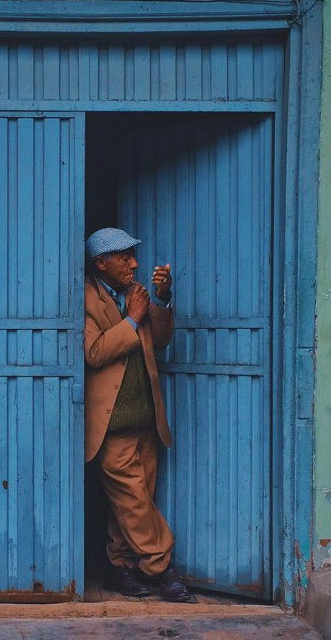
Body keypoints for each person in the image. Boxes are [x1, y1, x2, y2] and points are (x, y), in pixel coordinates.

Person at [84, 227, 193, 603]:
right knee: (133, 500)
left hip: (146, 419)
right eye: (125, 257)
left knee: (134, 501)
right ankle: (162, 568)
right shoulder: (83, 297)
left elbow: (160, 341)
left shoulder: (138, 295)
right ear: (102, 263)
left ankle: (120, 567)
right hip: (111, 426)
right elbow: (94, 353)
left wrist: (161, 300)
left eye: (133, 255)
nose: (134, 263)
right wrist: (131, 320)